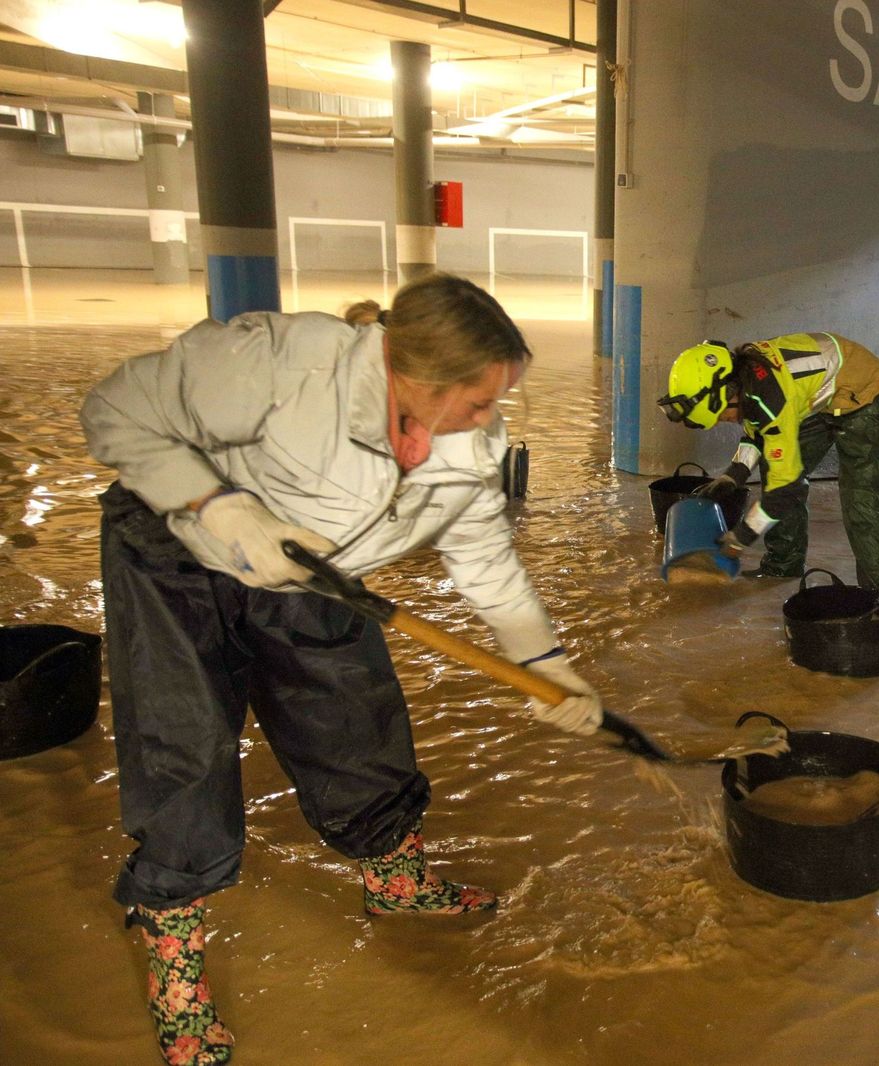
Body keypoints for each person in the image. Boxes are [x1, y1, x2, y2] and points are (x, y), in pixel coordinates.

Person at [79, 273, 604, 1065]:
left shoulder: (466, 440)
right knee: (183, 749)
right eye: (479, 401)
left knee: (354, 715)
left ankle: (396, 883)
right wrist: (215, 504)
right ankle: (175, 960)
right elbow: (113, 410)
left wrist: (546, 661)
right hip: (172, 551)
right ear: (414, 380)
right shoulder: (287, 363)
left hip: (311, 563)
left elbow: (483, 554)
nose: (490, 422)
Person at [656, 333, 879, 590]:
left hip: (866, 394)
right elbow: (757, 433)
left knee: (860, 501)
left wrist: (742, 537)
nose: (722, 421)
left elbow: (785, 487)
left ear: (727, 394)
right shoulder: (744, 378)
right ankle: (783, 566)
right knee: (776, 469)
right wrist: (732, 476)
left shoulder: (769, 397)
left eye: (719, 416)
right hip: (821, 399)